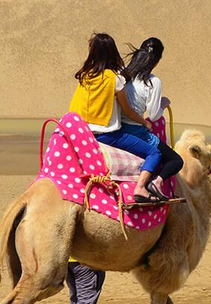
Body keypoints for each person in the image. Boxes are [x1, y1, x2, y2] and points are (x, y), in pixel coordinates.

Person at [68, 32, 163, 203]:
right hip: (107, 135)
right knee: (155, 153)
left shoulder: (84, 75)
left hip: (82, 133)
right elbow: (127, 111)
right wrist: (143, 122)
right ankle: (141, 188)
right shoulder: (116, 79)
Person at [121, 37, 183, 198]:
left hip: (116, 128)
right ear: (157, 60)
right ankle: (156, 182)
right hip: (135, 130)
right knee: (176, 161)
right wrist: (163, 104)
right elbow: (154, 115)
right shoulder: (153, 82)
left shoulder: (123, 74)